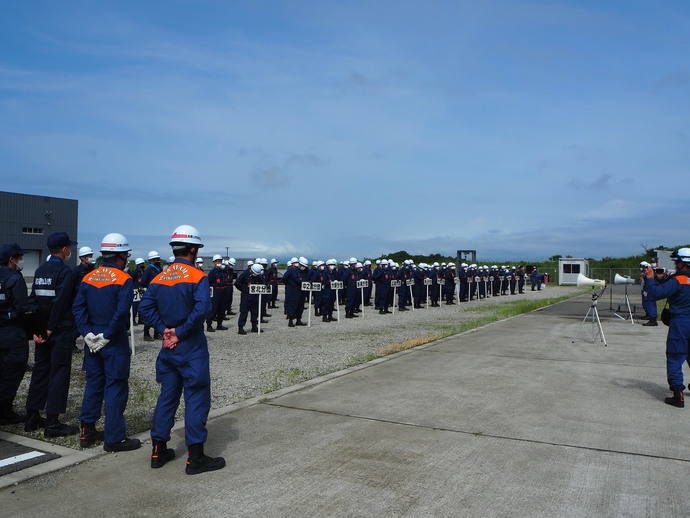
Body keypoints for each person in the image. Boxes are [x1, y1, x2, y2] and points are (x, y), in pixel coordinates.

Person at [139, 225, 225, 474]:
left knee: (167, 397)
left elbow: (145, 307)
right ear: (193, 248)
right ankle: (195, 459)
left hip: (168, 349)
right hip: (191, 347)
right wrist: (179, 331)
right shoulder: (197, 276)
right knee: (196, 398)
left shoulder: (160, 276)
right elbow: (203, 310)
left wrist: (164, 329)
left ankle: (158, 451)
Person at [72, 233, 140, 452]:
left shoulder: (89, 277)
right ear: (120, 254)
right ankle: (114, 438)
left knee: (93, 385)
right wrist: (108, 335)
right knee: (116, 386)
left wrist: (87, 333)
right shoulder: (124, 279)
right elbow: (122, 313)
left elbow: (78, 307)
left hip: (92, 341)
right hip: (114, 341)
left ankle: (87, 432)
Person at [24, 232, 80, 436]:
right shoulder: (65, 272)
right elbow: (61, 302)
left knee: (40, 371)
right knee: (59, 373)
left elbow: (32, 301)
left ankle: (32, 416)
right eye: (69, 247)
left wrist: (36, 331)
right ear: (64, 250)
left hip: (40, 332)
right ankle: (53, 422)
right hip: (59, 330)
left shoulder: (39, 271)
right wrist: (50, 328)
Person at [643, 248, 690, 408]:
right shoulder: (679, 279)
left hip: (681, 323)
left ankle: (678, 395)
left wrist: (650, 279)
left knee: (675, 356)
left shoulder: (678, 280)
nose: (675, 264)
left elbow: (656, 293)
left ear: (684, 263)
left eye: (677, 261)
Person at [0, 243, 29, 425]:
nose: (21, 260)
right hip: (12, 332)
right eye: (19, 257)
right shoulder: (15, 278)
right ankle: (4, 412)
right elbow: (22, 308)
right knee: (12, 371)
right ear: (12, 259)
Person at [235, 263, 263, 334]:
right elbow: (237, 283)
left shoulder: (258, 275)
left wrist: (266, 284)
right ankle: (240, 327)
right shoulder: (244, 274)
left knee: (255, 312)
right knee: (244, 312)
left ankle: (254, 326)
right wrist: (243, 290)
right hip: (246, 296)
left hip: (255, 296)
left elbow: (262, 282)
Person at [141, 251, 163, 342]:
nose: (158, 261)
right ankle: (146, 334)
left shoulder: (160, 270)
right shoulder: (149, 271)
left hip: (160, 295)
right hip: (151, 295)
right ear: (152, 261)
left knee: (159, 315)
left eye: (158, 259)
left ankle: (156, 333)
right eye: (156, 259)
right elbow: (143, 282)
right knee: (150, 315)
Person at [206, 255, 229, 332]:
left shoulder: (224, 271)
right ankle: (209, 325)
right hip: (216, 291)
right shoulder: (212, 272)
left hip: (223, 291)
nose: (220, 262)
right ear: (214, 262)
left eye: (220, 261)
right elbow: (208, 283)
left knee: (222, 308)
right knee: (213, 309)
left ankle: (220, 324)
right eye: (218, 261)